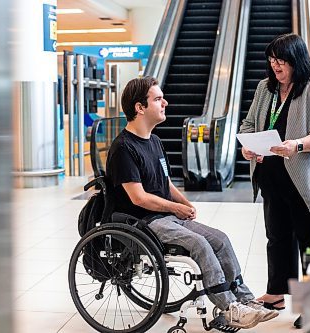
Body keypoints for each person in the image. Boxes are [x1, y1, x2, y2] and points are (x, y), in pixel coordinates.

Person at [106, 76, 278, 329]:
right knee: (198, 243)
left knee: (219, 238)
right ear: (139, 107)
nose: (165, 102)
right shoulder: (123, 148)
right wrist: (175, 208)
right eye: (157, 99)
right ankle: (229, 307)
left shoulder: (154, 141)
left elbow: (165, 183)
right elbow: (138, 198)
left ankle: (244, 299)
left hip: (165, 217)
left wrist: (184, 202)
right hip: (141, 221)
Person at [239, 33, 310, 328]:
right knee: (277, 239)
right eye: (272, 60)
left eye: (281, 60)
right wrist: (247, 145)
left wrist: (296, 145)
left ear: (296, 60)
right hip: (273, 177)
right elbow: (249, 123)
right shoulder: (266, 88)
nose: (275, 66)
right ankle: (276, 292)